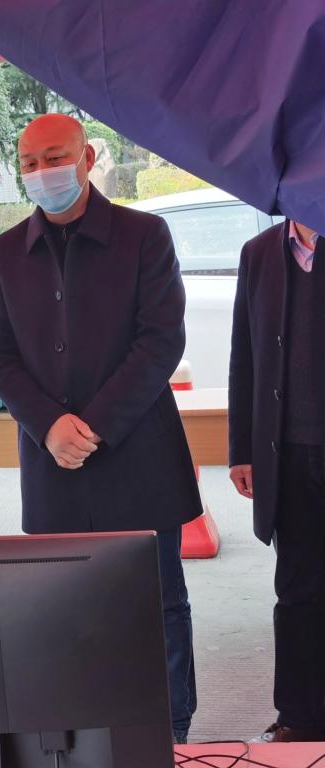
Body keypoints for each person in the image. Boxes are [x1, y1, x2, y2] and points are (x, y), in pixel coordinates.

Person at [0, 114, 202, 743]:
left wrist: (94, 424)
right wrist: (49, 425)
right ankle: (75, 735)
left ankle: (170, 731)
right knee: (65, 607)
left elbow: (161, 341)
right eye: (29, 163)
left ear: (87, 158)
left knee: (156, 603)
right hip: (53, 464)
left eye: (55, 158)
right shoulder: (4, 252)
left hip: (138, 455)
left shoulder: (144, 235)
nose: (42, 172)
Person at [229, 218, 325, 743]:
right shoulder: (260, 252)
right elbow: (244, 356)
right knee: (296, 590)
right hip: (285, 454)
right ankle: (299, 717)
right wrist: (241, 450)